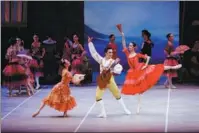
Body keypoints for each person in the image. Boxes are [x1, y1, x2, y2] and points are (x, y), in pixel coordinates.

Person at [119, 31, 182, 114]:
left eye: (131, 45)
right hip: (133, 73)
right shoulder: (127, 53)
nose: (129, 47)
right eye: (129, 45)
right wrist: (123, 36)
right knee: (138, 90)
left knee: (157, 67)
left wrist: (145, 65)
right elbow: (123, 44)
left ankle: (173, 67)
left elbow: (148, 57)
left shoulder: (138, 55)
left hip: (140, 69)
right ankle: (138, 106)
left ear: (134, 47)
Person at [87, 37, 131, 118]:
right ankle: (103, 113)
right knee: (98, 97)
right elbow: (94, 53)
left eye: (112, 52)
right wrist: (90, 43)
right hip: (102, 80)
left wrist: (114, 71)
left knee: (117, 95)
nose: (111, 54)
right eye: (109, 52)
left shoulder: (113, 61)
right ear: (105, 53)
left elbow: (119, 68)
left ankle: (125, 109)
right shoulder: (101, 60)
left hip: (110, 80)